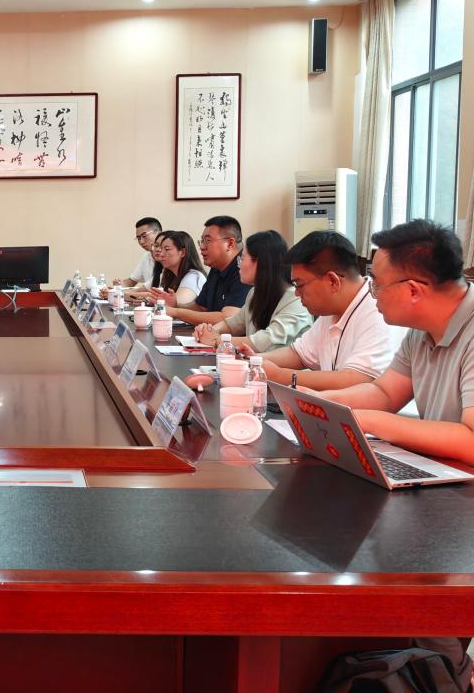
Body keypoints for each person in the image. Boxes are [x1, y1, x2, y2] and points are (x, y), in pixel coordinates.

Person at [321, 221, 473, 693]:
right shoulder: (420, 331)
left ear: (413, 290)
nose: (371, 294)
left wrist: (371, 422)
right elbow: (386, 393)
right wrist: (315, 406)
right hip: (449, 489)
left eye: (376, 284)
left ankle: (443, 671)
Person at [247, 230, 399, 390]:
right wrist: (254, 360)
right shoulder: (332, 308)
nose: (296, 293)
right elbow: (299, 354)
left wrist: (280, 375)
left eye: (299, 284)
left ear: (332, 281)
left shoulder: (378, 311)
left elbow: (356, 379)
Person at [193, 230, 312, 352]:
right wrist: (209, 330)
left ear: (261, 263)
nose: (239, 265)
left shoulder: (295, 300)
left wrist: (216, 340)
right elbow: (233, 324)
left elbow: (265, 341)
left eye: (242, 258)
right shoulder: (254, 293)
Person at [159, 215, 250, 324]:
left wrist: (176, 312)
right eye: (202, 241)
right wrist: (176, 305)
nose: (202, 247)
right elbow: (201, 307)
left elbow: (228, 319)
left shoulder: (244, 269)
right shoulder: (216, 268)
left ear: (230, 243)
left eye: (208, 241)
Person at [151, 231, 207, 306]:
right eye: (161, 249)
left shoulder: (193, 277)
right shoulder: (170, 275)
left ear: (182, 252)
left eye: (167, 249)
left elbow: (177, 305)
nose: (161, 254)